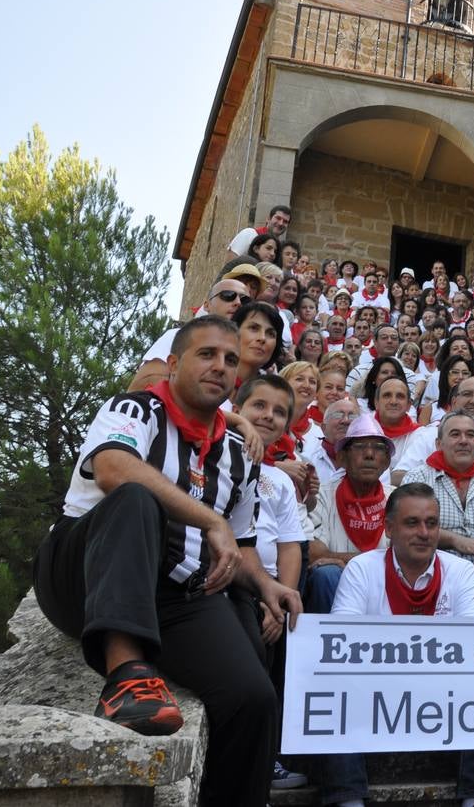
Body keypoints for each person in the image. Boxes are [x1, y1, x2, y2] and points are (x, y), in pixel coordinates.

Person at [32, 316, 299, 806]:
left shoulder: (239, 455)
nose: (220, 366)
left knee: (253, 698)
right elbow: (113, 468)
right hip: (84, 575)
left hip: (172, 590)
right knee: (137, 499)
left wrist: (267, 586)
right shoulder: (135, 408)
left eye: (230, 360)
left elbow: (240, 546)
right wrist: (209, 520)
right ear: (172, 364)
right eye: (206, 354)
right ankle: (126, 673)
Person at [326, 484, 474, 807]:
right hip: (375, 691)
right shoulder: (361, 569)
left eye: (432, 523)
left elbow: (472, 645)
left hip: (444, 690)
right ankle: (347, 798)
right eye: (412, 523)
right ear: (389, 528)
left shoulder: (461, 571)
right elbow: (343, 646)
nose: (424, 533)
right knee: (334, 688)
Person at [233, 375, 310, 792]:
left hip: (273, 590)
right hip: (232, 582)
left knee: (292, 643)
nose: (268, 417)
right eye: (258, 407)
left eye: (279, 411)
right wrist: (264, 592)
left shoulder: (279, 480)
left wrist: (281, 599)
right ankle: (255, 764)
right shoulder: (218, 456)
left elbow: (291, 545)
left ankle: (275, 753)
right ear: (237, 410)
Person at [305, 414, 395, 613]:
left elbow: (406, 557)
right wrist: (375, 562)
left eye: (379, 448)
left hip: (389, 583)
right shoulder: (322, 496)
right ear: (342, 458)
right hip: (338, 582)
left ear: (387, 461)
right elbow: (314, 553)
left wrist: (344, 560)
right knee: (326, 574)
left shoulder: (398, 499)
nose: (370, 454)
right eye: (360, 447)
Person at [402, 411, 474, 559]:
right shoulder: (418, 477)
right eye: (455, 434)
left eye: (470, 435)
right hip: (432, 565)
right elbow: (413, 525)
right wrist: (457, 541)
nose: (464, 441)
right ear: (439, 444)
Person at [130, 277, 252, 391]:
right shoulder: (177, 336)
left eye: (245, 300)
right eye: (228, 295)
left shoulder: (253, 356)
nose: (238, 302)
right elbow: (144, 384)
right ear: (207, 305)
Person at [371, 377, 435, 483]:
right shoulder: (361, 432)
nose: (393, 401)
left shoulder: (422, 435)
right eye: (387, 395)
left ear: (409, 405)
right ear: (376, 403)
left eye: (400, 396)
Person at [305, 397, 361, 487]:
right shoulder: (307, 460)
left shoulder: (372, 461)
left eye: (352, 416)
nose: (346, 420)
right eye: (338, 415)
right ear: (323, 428)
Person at [227, 205, 291, 258]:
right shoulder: (249, 234)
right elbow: (231, 260)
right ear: (268, 219)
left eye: (285, 221)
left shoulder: (278, 249)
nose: (281, 223)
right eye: (278, 218)